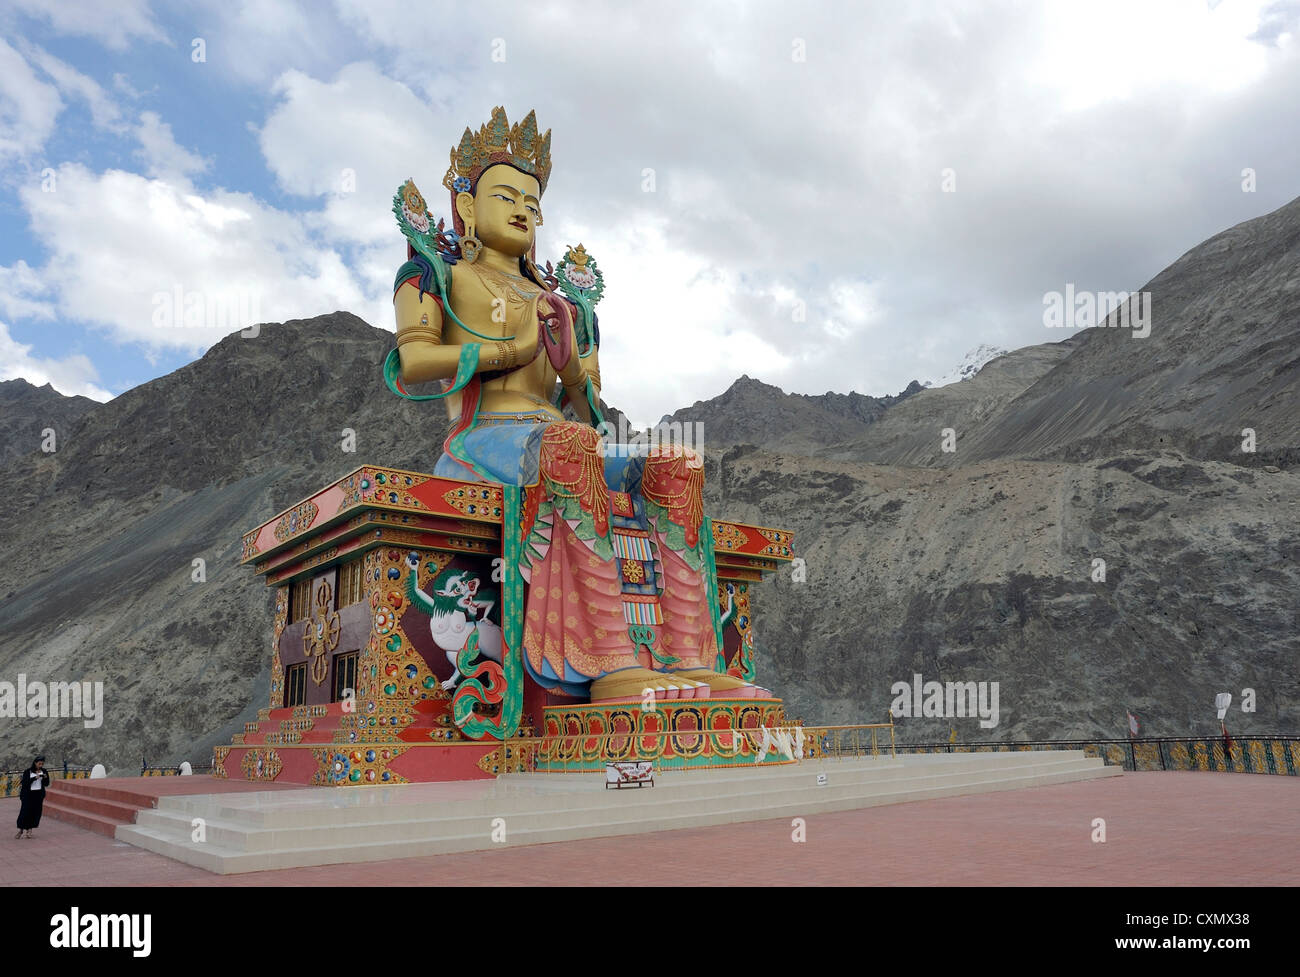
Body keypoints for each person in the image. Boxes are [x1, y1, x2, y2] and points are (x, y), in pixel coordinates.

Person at [15, 756, 49, 839]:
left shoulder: (44, 771)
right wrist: (34, 778)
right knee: (24, 812)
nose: (40, 765)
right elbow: (24, 783)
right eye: (39, 763)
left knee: (35, 813)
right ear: (35, 763)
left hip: (38, 795)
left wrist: (45, 778)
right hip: (28, 795)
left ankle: (29, 830)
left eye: (42, 764)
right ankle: (20, 830)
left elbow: (46, 783)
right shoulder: (28, 771)